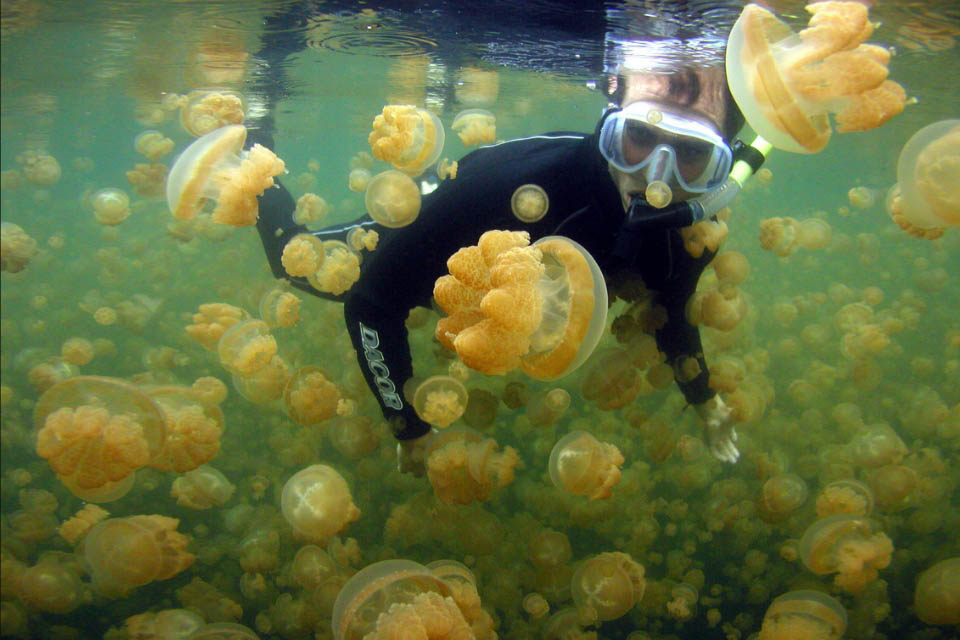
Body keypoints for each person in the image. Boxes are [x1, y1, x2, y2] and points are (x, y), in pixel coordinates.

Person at [250, 3, 753, 473]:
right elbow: (370, 302)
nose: (656, 177)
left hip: (481, 275)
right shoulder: (515, 185)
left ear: (723, 163)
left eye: (693, 153)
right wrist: (408, 426)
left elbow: (669, 311)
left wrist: (705, 402)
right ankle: (254, 139)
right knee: (293, 263)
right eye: (638, 136)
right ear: (610, 119)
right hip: (438, 209)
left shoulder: (687, 235)